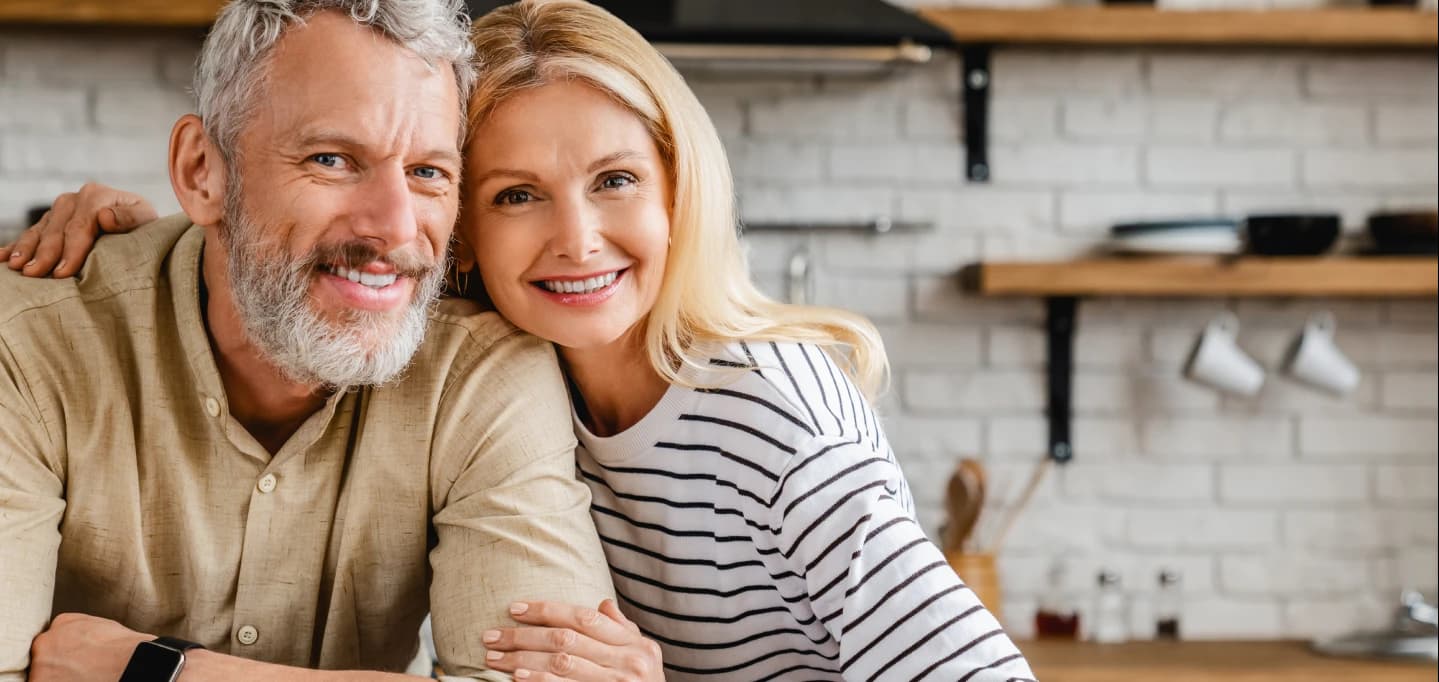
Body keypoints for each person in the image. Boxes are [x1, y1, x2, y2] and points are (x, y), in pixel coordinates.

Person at [7, 1, 1036, 680]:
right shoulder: (516, 364)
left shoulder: (762, 408)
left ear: (682, 188)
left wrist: (149, 670)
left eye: (617, 179)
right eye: (515, 194)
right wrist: (120, 227)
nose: (576, 237)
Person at [0, 1, 613, 681]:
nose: (394, 227)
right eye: (332, 159)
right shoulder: (26, 345)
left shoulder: (480, 372)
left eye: (428, 172)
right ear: (203, 171)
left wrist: (159, 673)